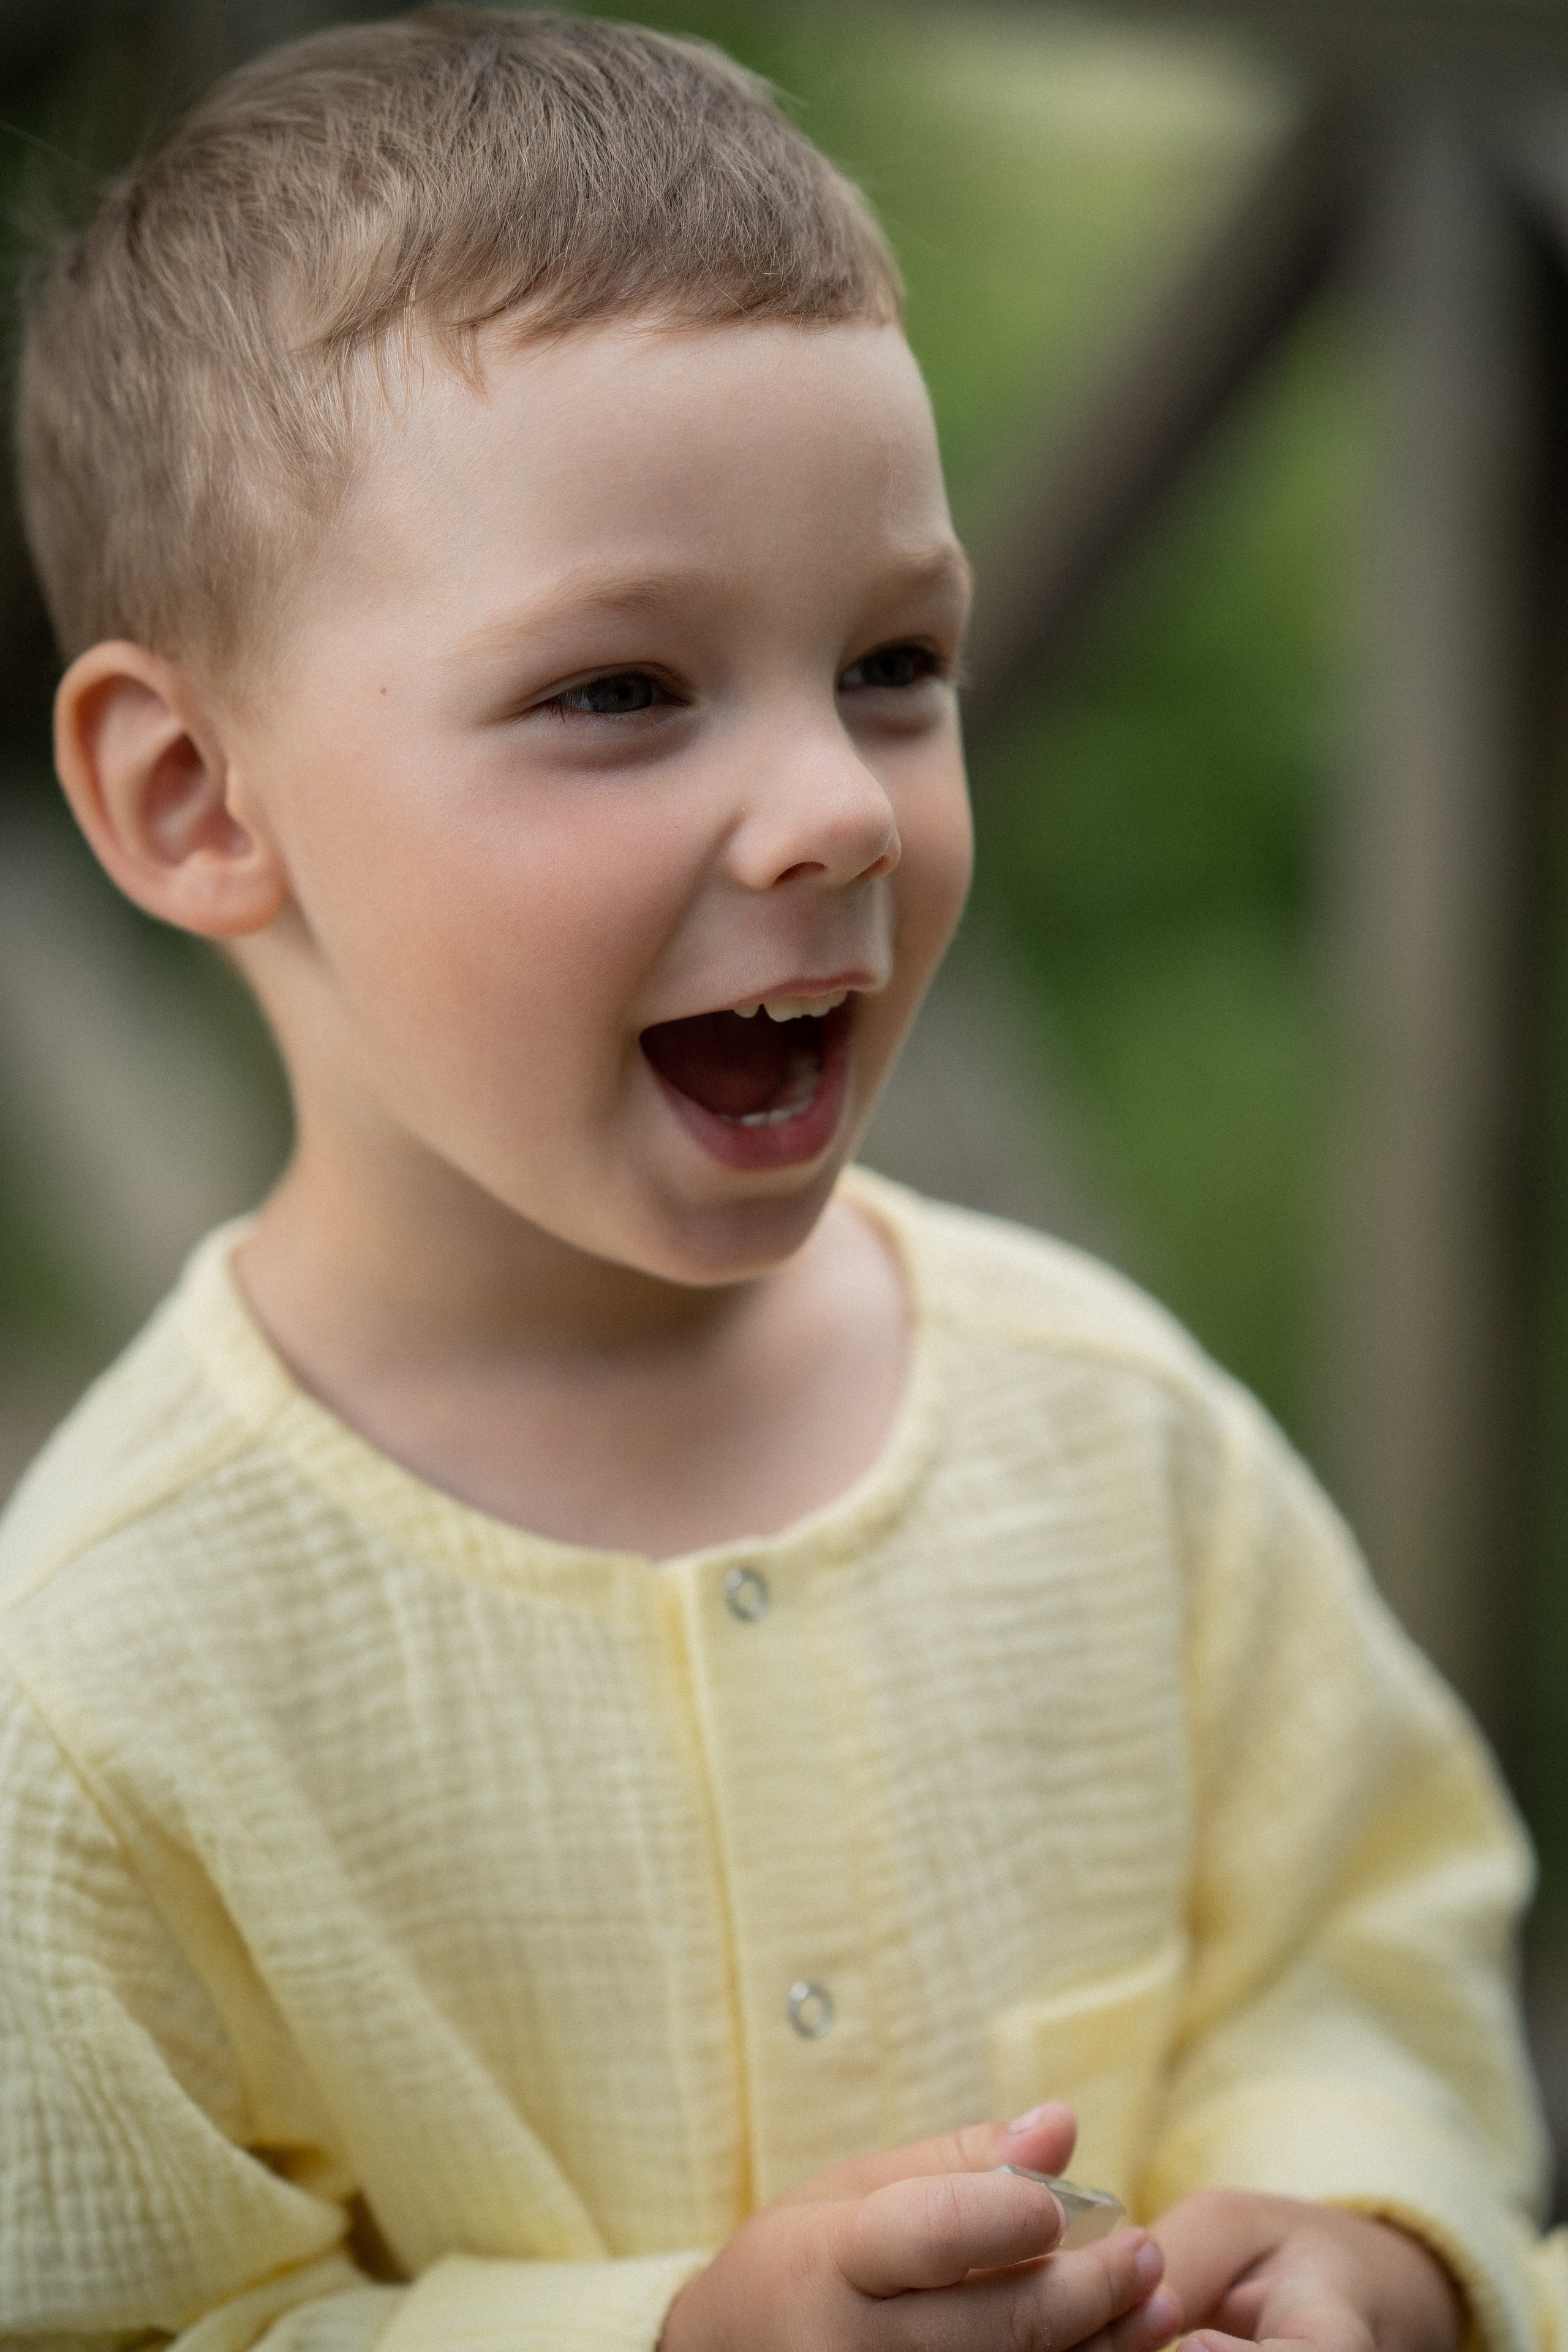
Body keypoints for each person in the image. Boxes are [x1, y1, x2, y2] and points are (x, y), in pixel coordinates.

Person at [2, 10, 1562, 2350]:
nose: (837, 802)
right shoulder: (99, 1691)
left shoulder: (1114, 1431)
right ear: (198, 800)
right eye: (623, 689)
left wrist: (1367, 2234)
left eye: (894, 664)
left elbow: (1367, 1941)